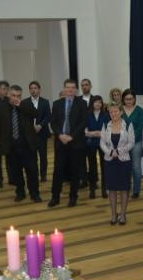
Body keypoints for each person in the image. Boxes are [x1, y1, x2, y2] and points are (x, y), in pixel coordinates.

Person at [0, 85, 41, 203]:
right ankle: (20, 192)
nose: (16, 98)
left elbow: (36, 114)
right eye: (13, 95)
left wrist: (21, 105)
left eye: (18, 96)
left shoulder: (26, 104)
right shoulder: (0, 107)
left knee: (32, 171)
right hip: (11, 147)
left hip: (27, 146)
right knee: (16, 172)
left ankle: (34, 193)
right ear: (8, 94)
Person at [49, 79, 88, 208]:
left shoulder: (82, 103)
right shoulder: (57, 104)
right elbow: (53, 123)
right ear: (64, 89)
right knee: (58, 171)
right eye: (68, 87)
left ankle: (73, 197)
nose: (70, 89)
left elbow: (83, 122)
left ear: (76, 89)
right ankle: (55, 197)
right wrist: (60, 135)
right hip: (60, 142)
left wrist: (71, 136)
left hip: (75, 142)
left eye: (72, 87)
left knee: (75, 171)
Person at [100, 103, 134, 225]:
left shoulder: (128, 124)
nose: (113, 114)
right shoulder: (106, 125)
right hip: (110, 160)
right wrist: (110, 152)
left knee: (124, 188)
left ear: (121, 112)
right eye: (111, 112)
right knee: (112, 189)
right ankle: (114, 214)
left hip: (124, 160)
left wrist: (119, 151)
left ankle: (123, 214)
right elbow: (102, 142)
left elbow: (131, 142)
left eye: (115, 111)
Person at [121, 89, 143, 199]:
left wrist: (130, 138)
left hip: (137, 142)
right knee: (125, 167)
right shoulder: (120, 110)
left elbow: (141, 127)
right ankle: (126, 187)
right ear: (123, 99)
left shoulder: (140, 110)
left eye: (131, 99)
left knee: (136, 167)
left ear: (134, 99)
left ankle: (136, 190)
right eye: (126, 99)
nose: (129, 101)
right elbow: (116, 124)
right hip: (122, 143)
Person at [28, 81, 52, 182]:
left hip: (42, 133)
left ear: (39, 90)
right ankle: (34, 175)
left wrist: (40, 126)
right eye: (31, 88)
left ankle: (43, 175)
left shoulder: (45, 102)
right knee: (32, 157)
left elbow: (48, 116)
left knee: (43, 156)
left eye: (35, 88)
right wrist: (31, 127)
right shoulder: (25, 102)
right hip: (30, 134)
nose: (33, 90)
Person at [86, 95, 108, 199]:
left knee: (104, 166)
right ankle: (92, 189)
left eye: (100, 102)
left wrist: (100, 133)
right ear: (92, 103)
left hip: (103, 142)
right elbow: (85, 129)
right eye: (96, 102)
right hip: (91, 142)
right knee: (92, 166)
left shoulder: (106, 115)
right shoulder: (87, 114)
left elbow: (109, 128)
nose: (98, 104)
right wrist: (92, 133)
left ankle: (104, 189)